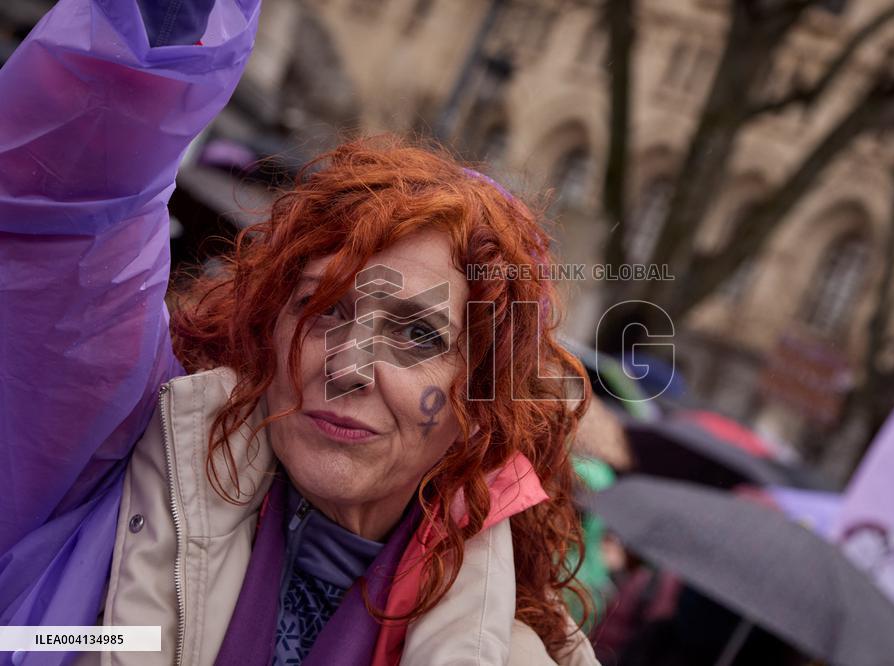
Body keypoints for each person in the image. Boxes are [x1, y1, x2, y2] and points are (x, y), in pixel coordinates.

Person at [0, 0, 600, 664]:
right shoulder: (134, 463)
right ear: (269, 327)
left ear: (482, 400)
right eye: (325, 310)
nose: (350, 364)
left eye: (418, 336)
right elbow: (64, 208)